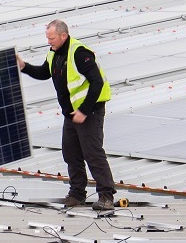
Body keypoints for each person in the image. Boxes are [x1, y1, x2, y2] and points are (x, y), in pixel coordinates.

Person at [17, 19, 116, 210]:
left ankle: (106, 196)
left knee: (92, 153)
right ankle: (77, 193)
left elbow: (97, 83)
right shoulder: (55, 53)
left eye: (52, 38)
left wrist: (84, 110)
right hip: (71, 114)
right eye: (47, 38)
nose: (49, 42)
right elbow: (44, 72)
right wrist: (24, 67)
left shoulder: (79, 53)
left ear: (63, 35)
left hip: (90, 111)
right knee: (71, 153)